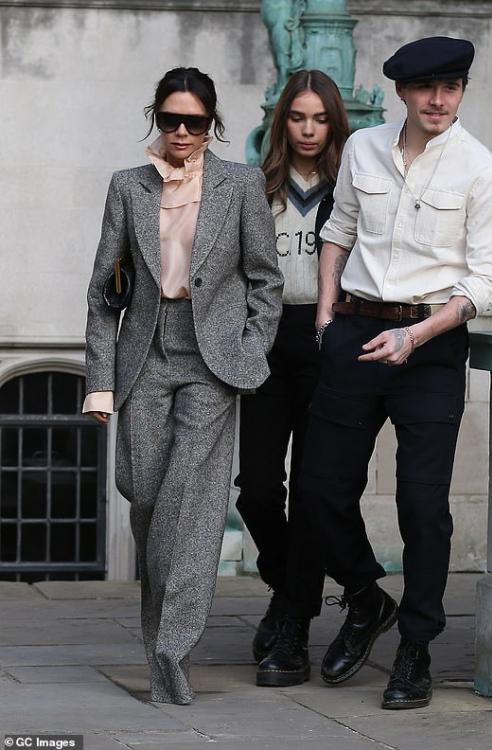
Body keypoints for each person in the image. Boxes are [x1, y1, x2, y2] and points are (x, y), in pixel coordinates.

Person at [299, 37, 492, 709]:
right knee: (318, 490)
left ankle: (415, 647)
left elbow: (487, 282)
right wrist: (327, 316)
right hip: (355, 332)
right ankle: (366, 598)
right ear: (402, 92)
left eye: (451, 87)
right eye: (426, 88)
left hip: (432, 346)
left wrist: (414, 336)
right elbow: (338, 230)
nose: (438, 100)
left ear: (462, 90)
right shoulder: (363, 148)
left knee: (423, 507)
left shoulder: (482, 170)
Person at [83, 67, 282, 705]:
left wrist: (249, 352)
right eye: (170, 119)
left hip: (212, 361)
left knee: (188, 504)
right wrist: (99, 382)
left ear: (211, 124)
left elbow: (265, 279)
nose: (181, 132)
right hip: (144, 354)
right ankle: (163, 640)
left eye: (194, 122)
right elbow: (103, 292)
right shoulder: (128, 186)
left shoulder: (241, 184)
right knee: (145, 495)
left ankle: (170, 655)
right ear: (157, 118)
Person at [235, 69, 349, 687]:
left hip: (327, 339)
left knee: (310, 491)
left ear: (334, 124)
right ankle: (291, 591)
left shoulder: (353, 186)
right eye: (298, 117)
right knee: (256, 488)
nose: (308, 130)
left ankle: (293, 628)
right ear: (283, 122)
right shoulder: (256, 188)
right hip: (266, 337)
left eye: (320, 119)